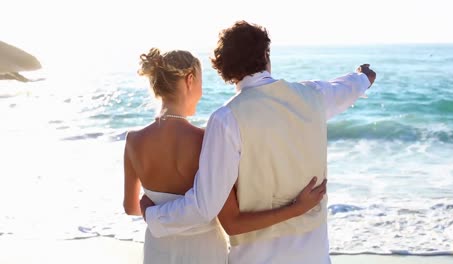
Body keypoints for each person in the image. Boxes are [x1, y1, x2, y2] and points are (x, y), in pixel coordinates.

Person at [140, 21, 376, 264]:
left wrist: (153, 214)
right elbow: (346, 88)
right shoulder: (314, 95)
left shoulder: (226, 119)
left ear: (225, 68)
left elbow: (204, 206)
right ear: (265, 54)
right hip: (313, 256)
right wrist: (364, 77)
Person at [124, 48, 328, 264]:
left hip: (158, 251)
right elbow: (231, 218)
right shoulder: (205, 140)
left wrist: (151, 208)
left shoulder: (133, 141)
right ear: (190, 80)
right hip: (204, 251)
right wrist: (296, 208)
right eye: (201, 83)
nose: (201, 92)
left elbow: (131, 207)